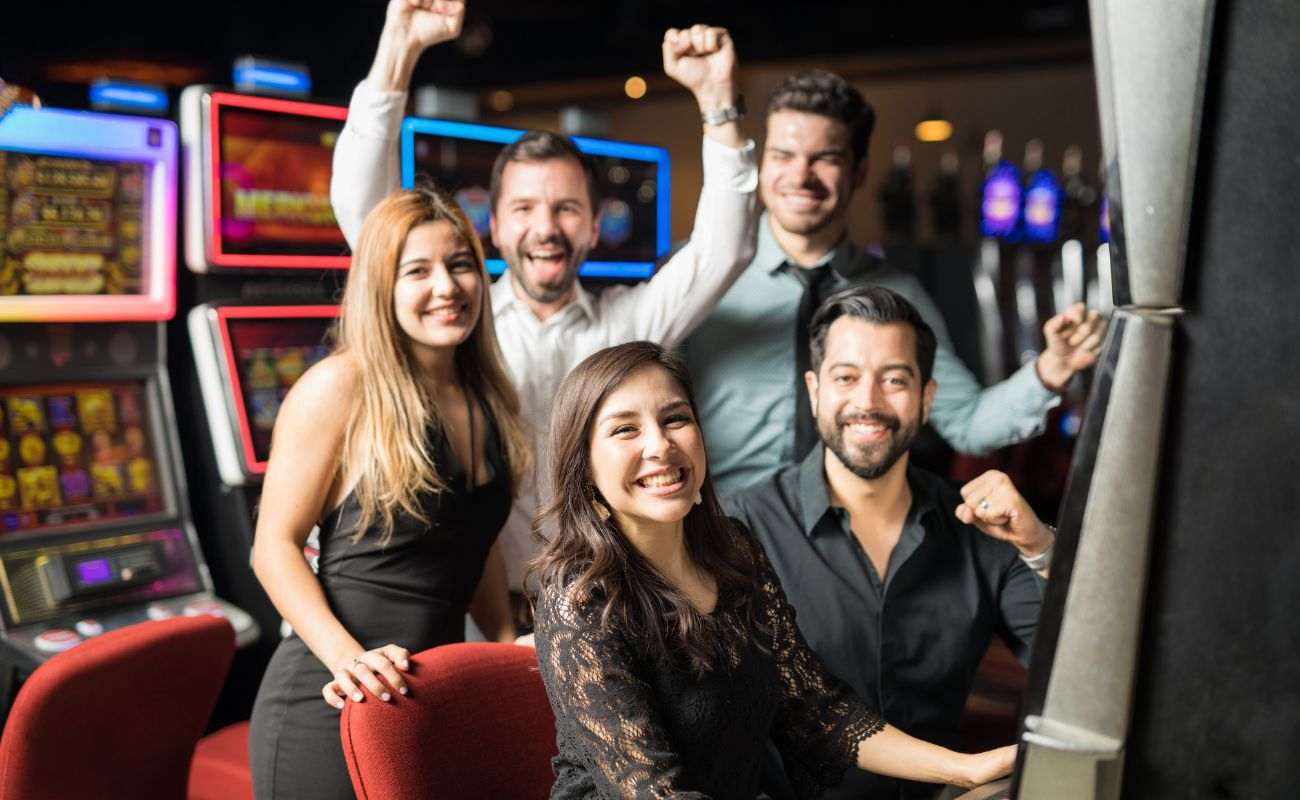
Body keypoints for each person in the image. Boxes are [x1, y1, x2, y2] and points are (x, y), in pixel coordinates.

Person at [332, 0, 759, 612]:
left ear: (592, 228)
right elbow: (364, 213)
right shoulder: (455, 322)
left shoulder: (627, 324)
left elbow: (727, 247)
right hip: (481, 612)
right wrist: (398, 49)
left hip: (609, 609)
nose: (546, 228)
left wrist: (718, 101)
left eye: (566, 209)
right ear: (496, 228)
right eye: (525, 209)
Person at [530, 341, 1018, 799]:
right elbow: (653, 791)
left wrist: (966, 768)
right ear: (585, 468)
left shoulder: (735, 551)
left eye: (674, 419)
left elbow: (817, 708)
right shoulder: (579, 596)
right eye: (625, 429)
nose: (660, 445)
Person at [685, 69, 1106, 494]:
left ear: (860, 171)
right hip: (725, 537)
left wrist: (1053, 368)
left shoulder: (897, 294)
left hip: (849, 542)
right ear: (762, 161)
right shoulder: (704, 274)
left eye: (825, 158)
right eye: (783, 155)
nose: (801, 175)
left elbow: (967, 423)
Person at [248, 187, 531, 799]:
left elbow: (474, 541)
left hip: (431, 698)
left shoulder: (489, 397)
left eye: (459, 265)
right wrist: (348, 659)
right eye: (417, 271)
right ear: (382, 287)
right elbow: (273, 546)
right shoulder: (340, 386)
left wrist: (507, 640)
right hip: (332, 696)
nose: (447, 287)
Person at [726, 286, 1052, 800]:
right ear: (814, 391)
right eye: (846, 378)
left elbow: (1079, 666)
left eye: (894, 379)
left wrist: (1039, 547)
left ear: (926, 398)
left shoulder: (981, 528)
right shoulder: (743, 525)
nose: (868, 402)